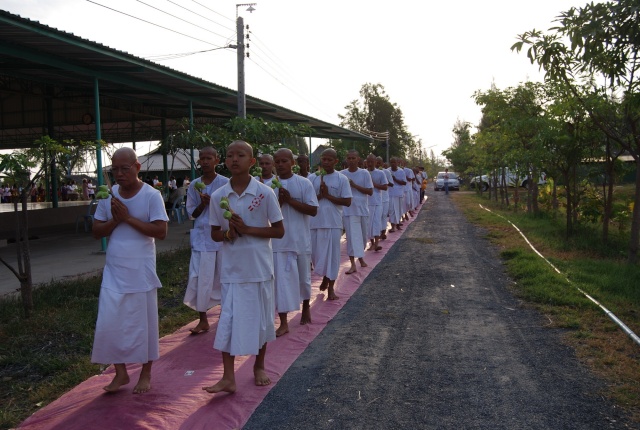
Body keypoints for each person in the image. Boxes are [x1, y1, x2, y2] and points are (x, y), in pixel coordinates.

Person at [203, 140, 284, 394]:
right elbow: (215, 233)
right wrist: (230, 234)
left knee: (261, 321)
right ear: (224, 161)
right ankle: (228, 376)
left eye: (241, 155)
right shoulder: (219, 196)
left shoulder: (264, 192)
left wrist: (247, 229)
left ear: (251, 162)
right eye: (229, 155)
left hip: (259, 268)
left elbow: (279, 230)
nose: (234, 159)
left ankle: (258, 366)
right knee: (228, 320)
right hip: (232, 270)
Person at [91, 147, 169, 394]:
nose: (119, 174)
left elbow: (161, 231)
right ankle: (121, 372)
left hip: (141, 270)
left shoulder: (151, 195)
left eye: (125, 168)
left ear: (138, 167)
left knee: (143, 323)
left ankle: (145, 373)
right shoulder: (108, 195)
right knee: (110, 321)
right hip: (115, 269)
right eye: (115, 169)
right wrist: (115, 219)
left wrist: (126, 219)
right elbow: (97, 231)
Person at [272, 148, 318, 336]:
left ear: (292, 163)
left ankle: (306, 305)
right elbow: (266, 214)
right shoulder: (269, 186)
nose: (280, 164)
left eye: (284, 161)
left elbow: (313, 210)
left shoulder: (304, 183)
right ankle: (283, 321)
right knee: (281, 283)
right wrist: (280, 203)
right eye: (278, 161)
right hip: (279, 242)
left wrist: (289, 201)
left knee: (303, 279)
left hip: (300, 239)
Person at [183, 147, 229, 334]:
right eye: (202, 158)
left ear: (217, 160)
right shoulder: (194, 185)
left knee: (224, 277)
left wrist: (215, 204)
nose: (205, 161)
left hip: (222, 238)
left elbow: (230, 210)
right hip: (202, 239)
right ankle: (203, 319)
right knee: (201, 279)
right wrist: (202, 204)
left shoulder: (225, 183)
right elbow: (191, 215)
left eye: (209, 158)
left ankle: (225, 316)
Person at [308, 148, 352, 300]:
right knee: (315, 257)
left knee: (333, 257)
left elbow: (347, 201)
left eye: (329, 160)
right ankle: (325, 276)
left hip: (333, 223)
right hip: (314, 223)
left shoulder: (341, 179)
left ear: (336, 161)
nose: (325, 162)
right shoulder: (312, 178)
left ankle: (331, 287)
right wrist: (320, 196)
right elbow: (308, 201)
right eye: (323, 159)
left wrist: (328, 195)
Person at [340, 150, 373, 274]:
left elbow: (370, 191)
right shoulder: (342, 174)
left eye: (354, 158)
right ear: (346, 160)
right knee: (352, 238)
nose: (351, 160)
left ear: (358, 159)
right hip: (349, 211)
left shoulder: (364, 173)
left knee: (363, 237)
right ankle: (353, 264)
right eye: (349, 158)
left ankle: (361, 258)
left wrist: (354, 185)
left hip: (362, 210)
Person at [366, 154, 387, 252]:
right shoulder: (364, 173)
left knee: (376, 223)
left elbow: (385, 187)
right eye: (368, 161)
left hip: (377, 201)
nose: (370, 164)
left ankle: (377, 243)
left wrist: (374, 184)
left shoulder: (380, 173)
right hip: (366, 202)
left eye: (372, 161)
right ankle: (372, 243)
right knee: (368, 224)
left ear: (375, 162)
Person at [387, 157, 406, 233]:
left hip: (399, 194)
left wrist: (395, 179)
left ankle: (397, 224)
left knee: (398, 210)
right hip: (390, 193)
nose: (393, 164)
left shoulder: (401, 171)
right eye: (391, 162)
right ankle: (393, 226)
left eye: (394, 162)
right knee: (391, 210)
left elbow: (404, 182)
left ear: (397, 163)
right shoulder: (387, 171)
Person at [376, 156, 393, 240]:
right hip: (375, 199)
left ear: (382, 164)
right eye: (377, 162)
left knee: (383, 215)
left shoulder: (386, 172)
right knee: (377, 216)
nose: (378, 164)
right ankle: (378, 233)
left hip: (385, 197)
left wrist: (384, 181)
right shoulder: (369, 172)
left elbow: (391, 184)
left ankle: (383, 232)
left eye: (379, 163)